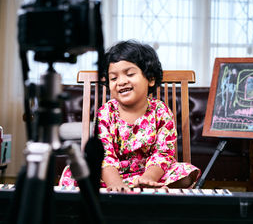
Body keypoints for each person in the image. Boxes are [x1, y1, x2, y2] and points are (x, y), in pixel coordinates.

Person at [59, 40, 200, 191]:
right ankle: (126, 189)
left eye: (130, 74)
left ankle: (147, 186)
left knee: (185, 173)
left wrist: (149, 178)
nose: (121, 82)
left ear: (151, 79)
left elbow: (163, 153)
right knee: (73, 172)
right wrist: (115, 182)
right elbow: (105, 155)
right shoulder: (106, 113)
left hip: (150, 173)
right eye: (113, 78)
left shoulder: (161, 111)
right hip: (110, 174)